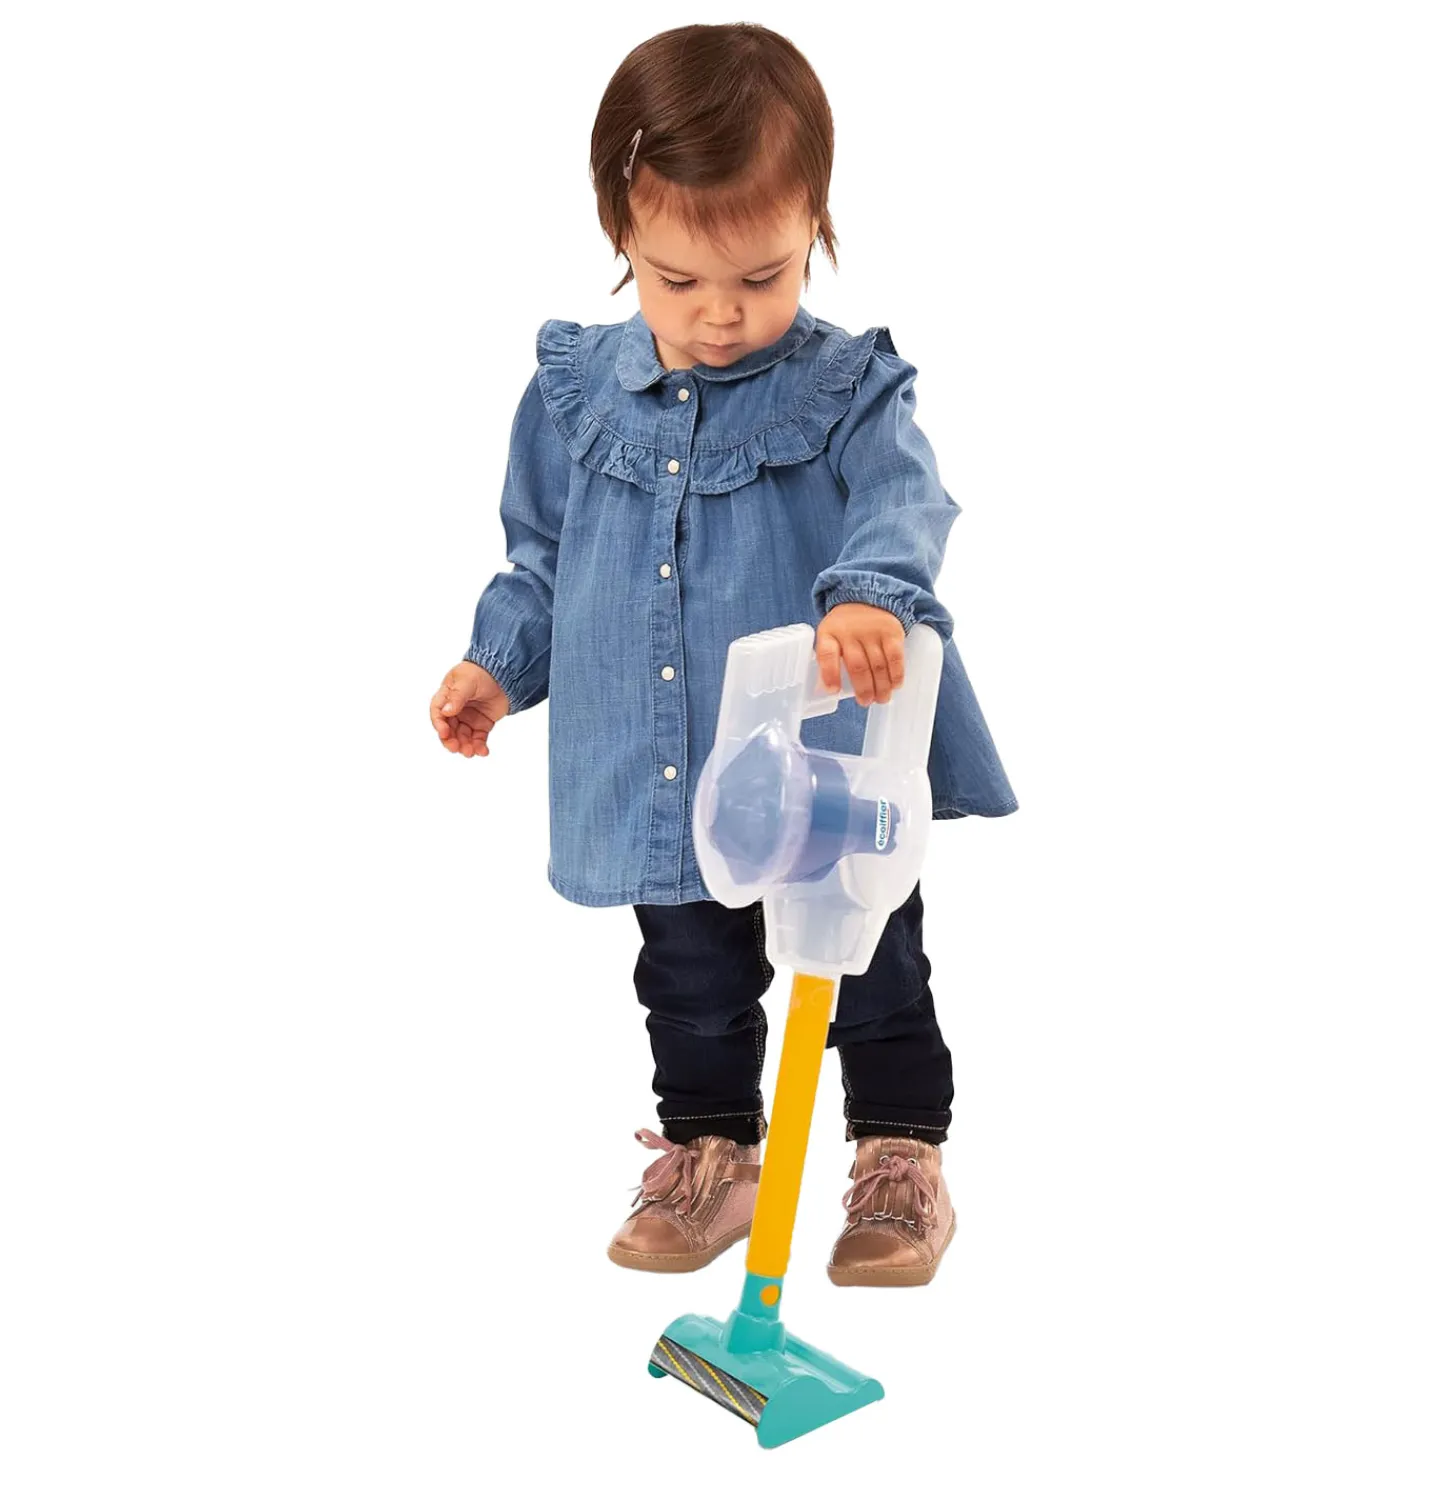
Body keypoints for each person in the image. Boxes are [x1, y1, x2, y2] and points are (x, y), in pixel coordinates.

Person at [428, 24, 1017, 1287]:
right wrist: (496, 664)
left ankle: (899, 1155)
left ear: (817, 229)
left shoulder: (847, 387)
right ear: (620, 236)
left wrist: (868, 596)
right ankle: (714, 1153)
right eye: (677, 278)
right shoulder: (576, 392)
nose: (721, 312)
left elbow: (905, 500)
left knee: (867, 962)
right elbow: (542, 555)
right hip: (663, 758)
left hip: (824, 754)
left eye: (763, 274)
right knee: (687, 977)